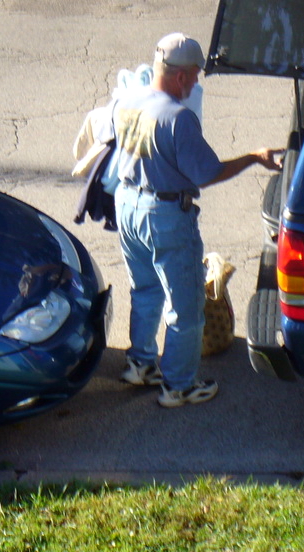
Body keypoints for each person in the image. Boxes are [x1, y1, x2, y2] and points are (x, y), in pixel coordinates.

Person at [113, 32, 281, 408]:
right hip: (165, 215)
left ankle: (140, 364)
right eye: (195, 75)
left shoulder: (126, 101)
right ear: (181, 77)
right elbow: (207, 172)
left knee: (145, 290)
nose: (196, 83)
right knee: (186, 307)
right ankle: (178, 386)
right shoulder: (178, 118)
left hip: (126, 204)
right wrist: (255, 157)